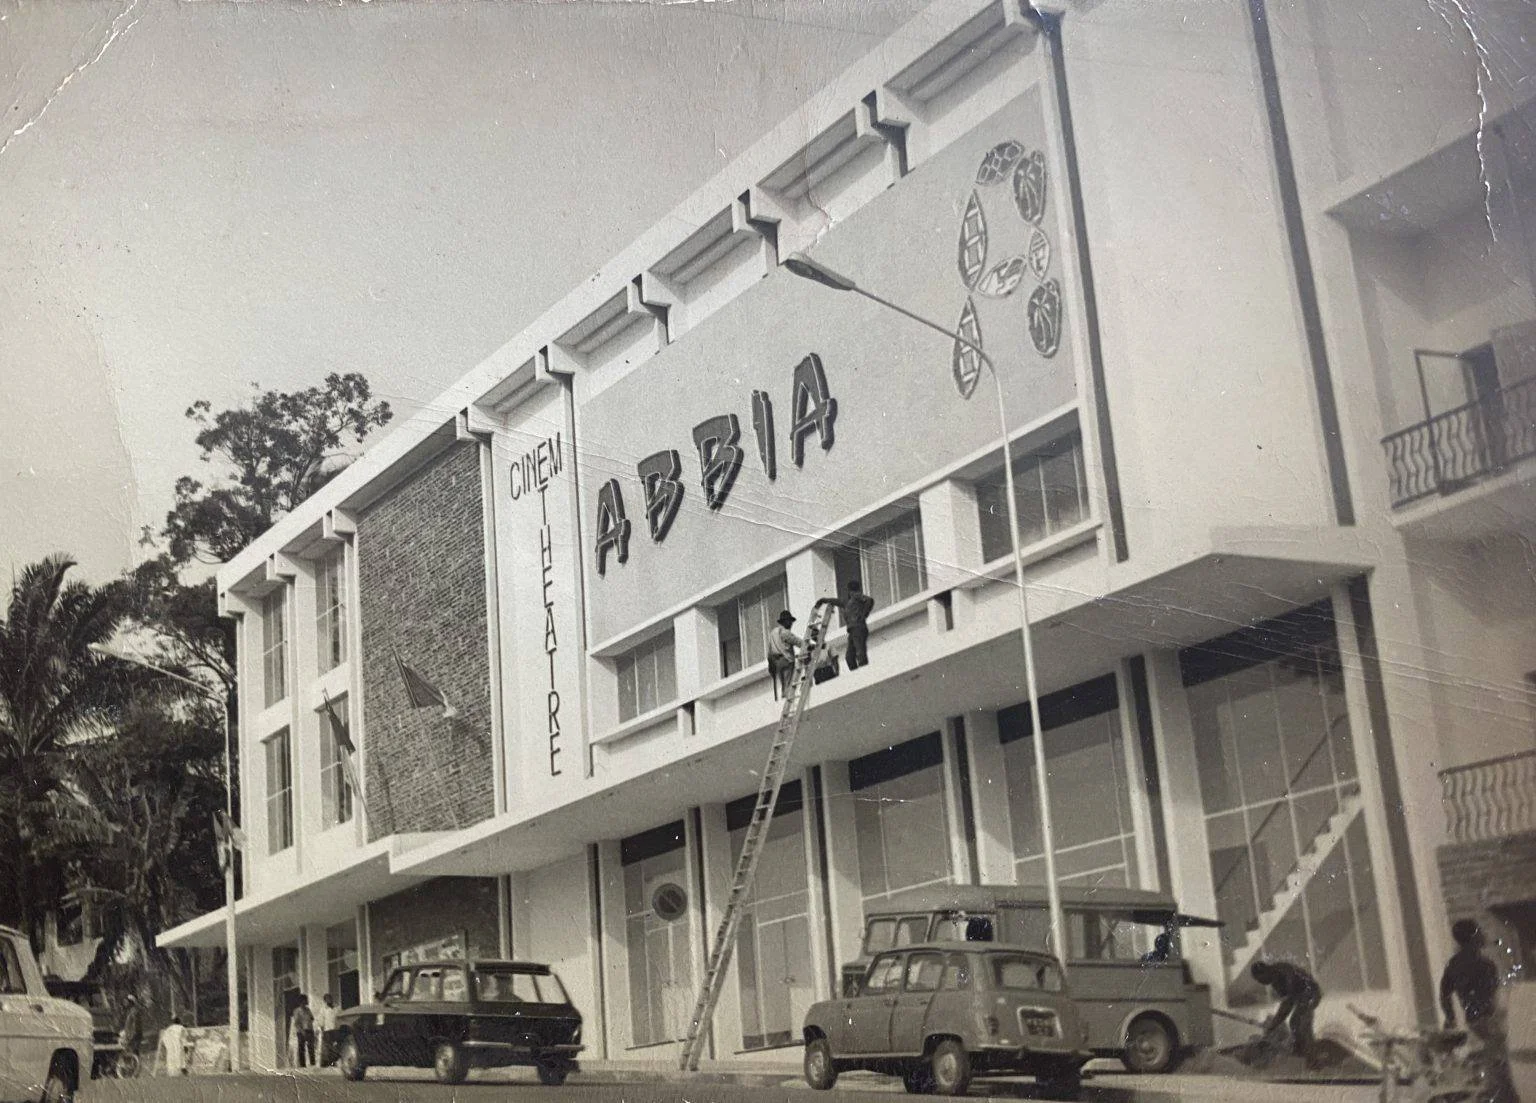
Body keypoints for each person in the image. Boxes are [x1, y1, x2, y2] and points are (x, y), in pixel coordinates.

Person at [1440, 919, 1519, 1102]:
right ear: (1473, 937)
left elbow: (1444, 995)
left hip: (1473, 1021)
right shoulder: (1486, 964)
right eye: (1479, 931)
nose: (1482, 935)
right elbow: (1496, 996)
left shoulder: (1453, 965)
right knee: (1499, 1068)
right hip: (1489, 1021)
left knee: (1488, 1064)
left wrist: (1450, 1018)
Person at [1250, 959, 1321, 1060]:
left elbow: (1289, 1002)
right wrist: (1274, 1025)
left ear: (1265, 971)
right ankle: (1301, 1052)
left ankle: (1311, 1057)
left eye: (1259, 979)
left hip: (1311, 993)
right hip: (1302, 996)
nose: (1261, 983)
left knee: (1300, 1023)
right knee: (1294, 1023)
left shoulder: (1282, 970)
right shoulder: (1275, 982)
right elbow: (1286, 1005)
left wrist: (1274, 1024)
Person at [837, 580, 876, 670]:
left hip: (858, 628)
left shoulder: (856, 595)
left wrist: (864, 614)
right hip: (852, 630)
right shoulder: (849, 602)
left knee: (860, 652)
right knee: (849, 657)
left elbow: (869, 600)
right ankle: (856, 674)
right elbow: (837, 601)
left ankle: (864, 671)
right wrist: (824, 600)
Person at [766, 610, 803, 700]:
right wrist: (810, 645)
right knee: (788, 685)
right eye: (789, 621)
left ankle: (785, 698)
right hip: (786, 661)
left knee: (784, 685)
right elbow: (798, 642)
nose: (791, 624)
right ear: (785, 621)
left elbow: (769, 652)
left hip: (777, 663)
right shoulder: (785, 632)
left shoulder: (773, 633)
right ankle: (788, 699)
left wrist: (771, 666)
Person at [292, 994, 316, 1069]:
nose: (306, 1002)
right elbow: (296, 1023)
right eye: (304, 1000)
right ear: (301, 1001)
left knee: (311, 1047)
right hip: (301, 1031)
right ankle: (302, 1065)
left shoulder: (308, 1010)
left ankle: (313, 1064)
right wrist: (302, 1031)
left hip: (309, 1030)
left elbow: (312, 1018)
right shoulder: (297, 1011)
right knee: (301, 1048)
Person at [119, 994, 144, 1066]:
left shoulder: (133, 1011)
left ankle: (132, 1066)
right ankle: (132, 1066)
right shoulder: (130, 1011)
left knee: (131, 1050)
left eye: (126, 1002)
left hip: (133, 1035)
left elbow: (134, 1024)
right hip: (132, 1034)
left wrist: (130, 1035)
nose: (125, 1003)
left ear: (130, 1003)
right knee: (131, 1051)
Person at [317, 993, 339, 1067]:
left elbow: (340, 1018)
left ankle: (334, 1062)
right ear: (325, 1001)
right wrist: (322, 1030)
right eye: (327, 999)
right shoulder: (323, 1009)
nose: (329, 1000)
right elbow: (321, 1021)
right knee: (328, 1047)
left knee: (335, 1046)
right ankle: (329, 1062)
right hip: (327, 1030)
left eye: (330, 998)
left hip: (336, 1029)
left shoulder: (337, 1008)